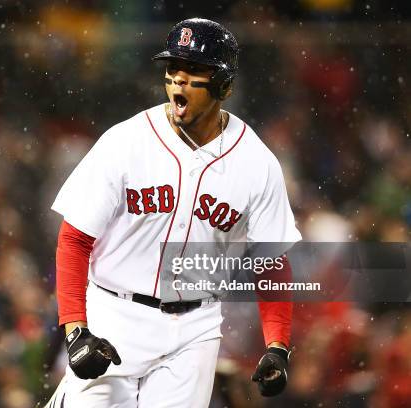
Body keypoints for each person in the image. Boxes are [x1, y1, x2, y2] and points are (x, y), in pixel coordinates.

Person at [46, 18, 301, 407]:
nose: (179, 80)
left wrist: (278, 345)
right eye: (173, 69)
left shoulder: (257, 162)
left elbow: (272, 262)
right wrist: (76, 330)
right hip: (114, 315)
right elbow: (74, 239)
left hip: (195, 329)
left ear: (224, 84)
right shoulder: (126, 142)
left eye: (194, 70)